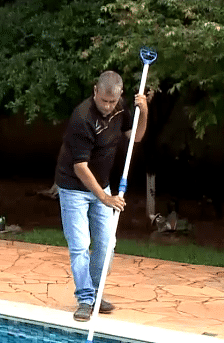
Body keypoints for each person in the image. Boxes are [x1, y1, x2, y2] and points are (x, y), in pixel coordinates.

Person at [55, 70, 148, 322]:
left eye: (112, 101)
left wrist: (144, 111)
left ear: (119, 97)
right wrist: (106, 199)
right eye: (103, 100)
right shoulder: (82, 117)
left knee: (107, 244)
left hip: (102, 185)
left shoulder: (120, 109)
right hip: (74, 187)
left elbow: (135, 138)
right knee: (80, 246)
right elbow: (80, 167)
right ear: (95, 91)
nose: (107, 106)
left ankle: (94, 292)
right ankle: (85, 298)